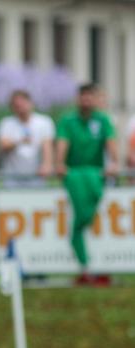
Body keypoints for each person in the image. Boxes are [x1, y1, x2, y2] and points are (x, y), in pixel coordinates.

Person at [56, 83, 119, 286]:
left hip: (95, 177)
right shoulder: (68, 120)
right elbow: (62, 143)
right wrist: (60, 163)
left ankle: (92, 267)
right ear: (78, 99)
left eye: (90, 97)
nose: (86, 101)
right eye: (83, 97)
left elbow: (111, 142)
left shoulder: (102, 120)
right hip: (76, 176)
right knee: (82, 219)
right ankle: (86, 266)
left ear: (94, 99)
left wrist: (114, 163)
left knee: (86, 219)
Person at [0, 90, 55, 184]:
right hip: (12, 179)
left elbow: (47, 146)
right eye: (17, 105)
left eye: (23, 103)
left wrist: (46, 165)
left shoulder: (44, 122)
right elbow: (4, 145)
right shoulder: (6, 123)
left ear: (31, 103)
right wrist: (19, 141)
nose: (21, 107)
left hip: (36, 178)